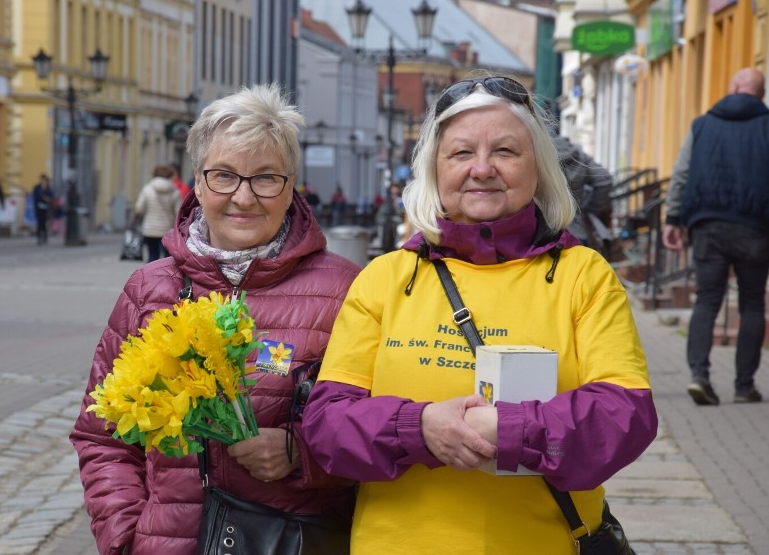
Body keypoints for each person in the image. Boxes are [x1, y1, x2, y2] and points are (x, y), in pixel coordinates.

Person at [302, 75, 658, 553]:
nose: (483, 169)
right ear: (434, 169)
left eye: (506, 152)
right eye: (461, 153)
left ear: (539, 168)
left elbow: (625, 415)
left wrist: (514, 431)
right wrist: (420, 428)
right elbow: (327, 425)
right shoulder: (386, 278)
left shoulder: (583, 275)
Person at [70, 84, 360, 554]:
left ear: (291, 188)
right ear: (199, 183)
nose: (244, 198)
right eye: (224, 175)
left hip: (288, 541)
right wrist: (124, 536)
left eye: (266, 178)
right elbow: (100, 435)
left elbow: (374, 436)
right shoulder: (150, 289)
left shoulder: (345, 291)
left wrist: (300, 454)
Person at [662, 66, 769, 406]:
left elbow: (681, 174)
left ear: (734, 87)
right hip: (756, 228)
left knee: (707, 300)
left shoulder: (703, 124)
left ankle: (700, 377)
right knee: (752, 302)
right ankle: (743, 386)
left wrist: (672, 219)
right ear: (760, 94)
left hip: (707, 226)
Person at [551, 133, 614, 258]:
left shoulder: (538, 148)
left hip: (543, 233)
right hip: (578, 231)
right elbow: (604, 179)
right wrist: (589, 209)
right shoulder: (577, 154)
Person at [133, 165, 183, 262]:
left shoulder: (147, 190)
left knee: (152, 256)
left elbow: (139, 209)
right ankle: (166, 277)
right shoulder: (175, 192)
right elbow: (179, 212)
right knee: (167, 259)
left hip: (150, 229)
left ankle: (150, 276)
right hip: (168, 230)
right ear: (169, 176)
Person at [32, 174, 55, 245]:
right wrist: (42, 198)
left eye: (43, 179)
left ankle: (45, 236)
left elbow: (51, 197)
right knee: (39, 223)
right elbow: (35, 196)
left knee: (45, 223)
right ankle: (39, 237)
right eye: (41, 179)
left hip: (46, 208)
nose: (42, 181)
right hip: (39, 208)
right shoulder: (37, 188)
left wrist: (47, 199)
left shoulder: (48, 188)